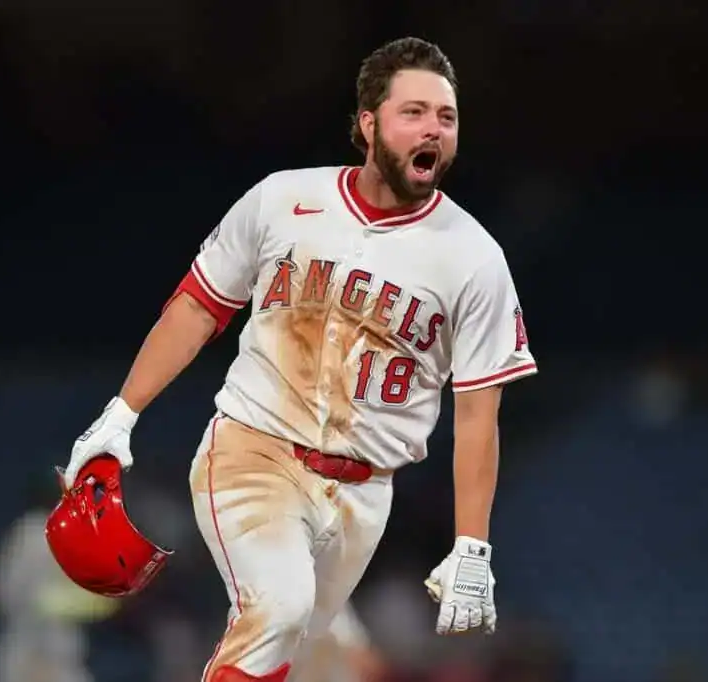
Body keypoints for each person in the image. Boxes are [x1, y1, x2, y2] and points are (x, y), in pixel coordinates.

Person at [62, 36, 538, 682]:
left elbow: (479, 415)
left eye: (446, 116)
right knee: (279, 613)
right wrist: (122, 413)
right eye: (414, 112)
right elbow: (199, 307)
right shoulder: (283, 200)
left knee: (308, 658)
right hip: (255, 451)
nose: (433, 128)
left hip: (364, 495)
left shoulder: (475, 259)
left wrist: (472, 545)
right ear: (368, 123)